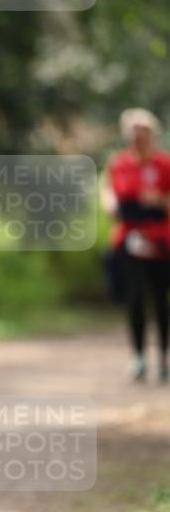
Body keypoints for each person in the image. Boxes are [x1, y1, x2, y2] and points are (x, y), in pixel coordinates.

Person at [101, 107, 170, 383]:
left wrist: (159, 201)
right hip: (128, 238)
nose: (137, 137)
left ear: (151, 133)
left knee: (160, 299)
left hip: (161, 240)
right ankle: (138, 356)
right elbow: (108, 191)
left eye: (142, 132)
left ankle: (163, 357)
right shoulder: (118, 164)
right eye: (133, 132)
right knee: (134, 298)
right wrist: (110, 203)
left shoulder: (164, 165)